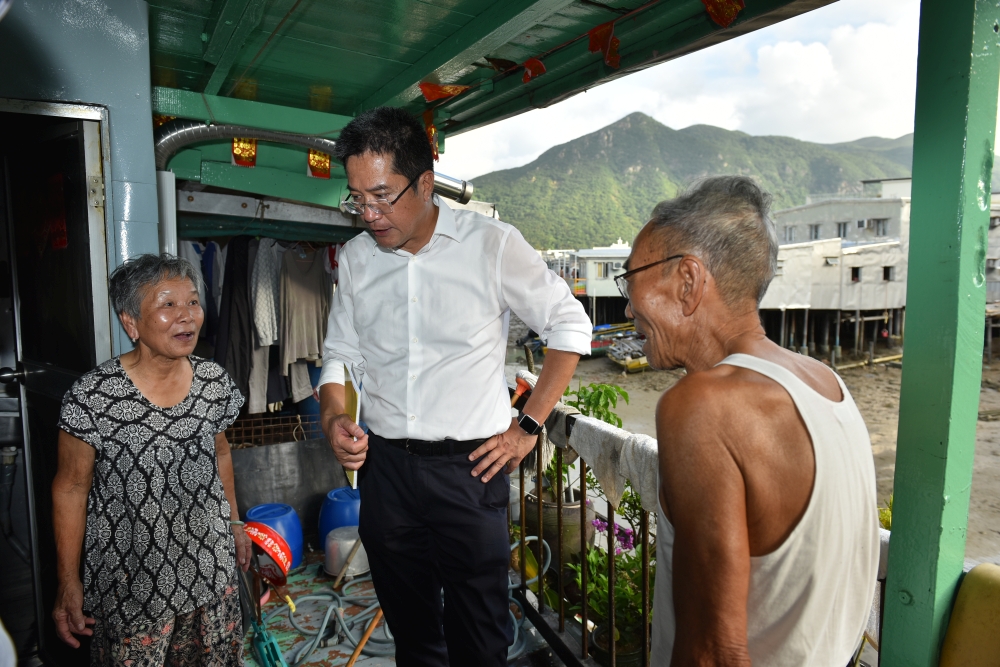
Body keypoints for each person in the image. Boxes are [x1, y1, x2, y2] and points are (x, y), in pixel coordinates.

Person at [318, 107, 591, 666]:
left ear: (423, 183)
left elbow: (569, 327)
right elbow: (341, 356)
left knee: (480, 630)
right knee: (411, 628)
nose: (367, 215)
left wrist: (528, 427)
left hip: (472, 469)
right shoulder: (356, 259)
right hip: (387, 469)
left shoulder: (491, 244)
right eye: (356, 199)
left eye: (381, 197)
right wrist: (333, 420)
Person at [619, 177, 879, 665]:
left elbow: (713, 652)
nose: (628, 306)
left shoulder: (702, 407)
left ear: (688, 282)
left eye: (630, 277)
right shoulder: (826, 385)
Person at [51, 254, 251, 666]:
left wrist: (235, 524)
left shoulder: (213, 383)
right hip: (133, 586)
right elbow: (70, 487)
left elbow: (221, 453)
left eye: (193, 302)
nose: (187, 317)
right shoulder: (93, 396)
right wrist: (68, 582)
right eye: (168, 305)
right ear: (131, 323)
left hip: (211, 574)